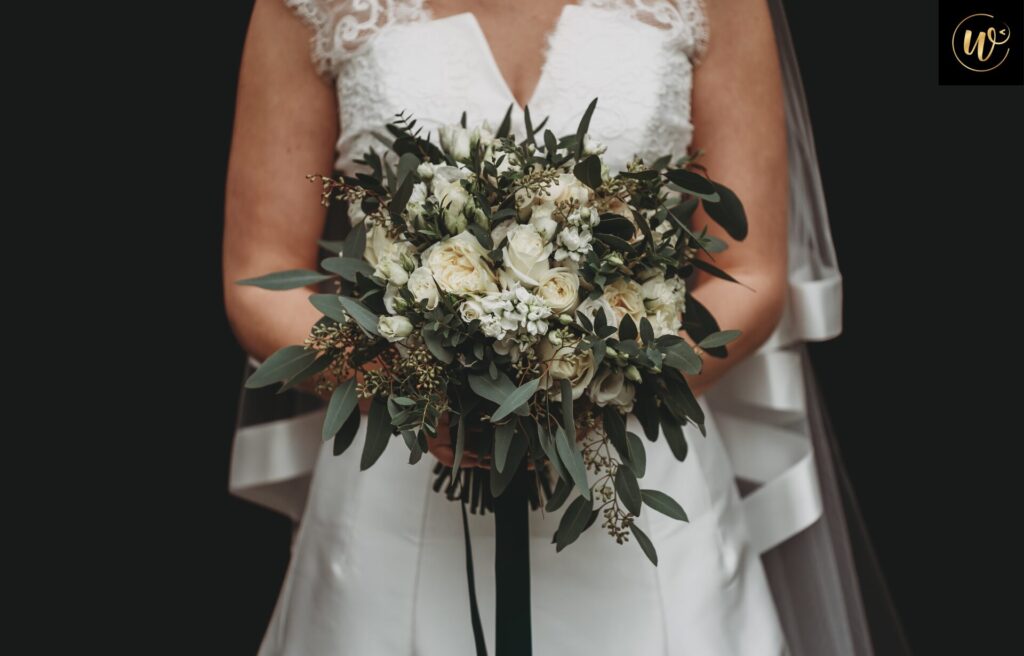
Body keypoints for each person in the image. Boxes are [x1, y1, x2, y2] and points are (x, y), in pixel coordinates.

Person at [222, 0, 911, 654]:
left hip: (629, 475)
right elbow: (259, 277)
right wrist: (405, 387)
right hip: (399, 497)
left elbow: (753, 274)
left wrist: (602, 384)